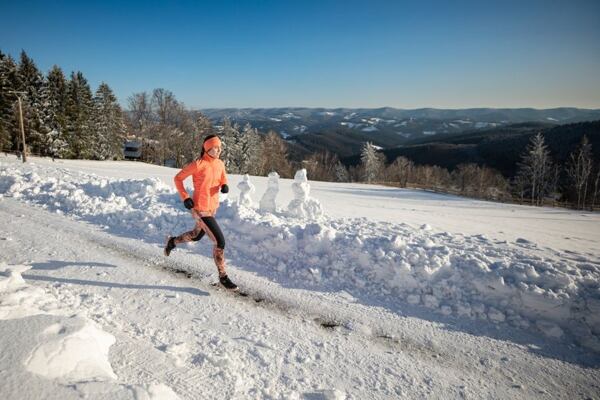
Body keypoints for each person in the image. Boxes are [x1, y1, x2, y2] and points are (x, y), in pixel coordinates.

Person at [164, 134, 237, 291]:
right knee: (220, 241)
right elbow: (178, 178)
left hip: (212, 208)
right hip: (201, 209)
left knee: (196, 235)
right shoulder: (198, 164)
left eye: (220, 148)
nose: (219, 150)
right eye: (215, 148)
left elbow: (223, 177)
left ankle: (172, 241)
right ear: (207, 149)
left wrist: (224, 184)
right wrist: (185, 197)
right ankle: (223, 277)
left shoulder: (220, 164)